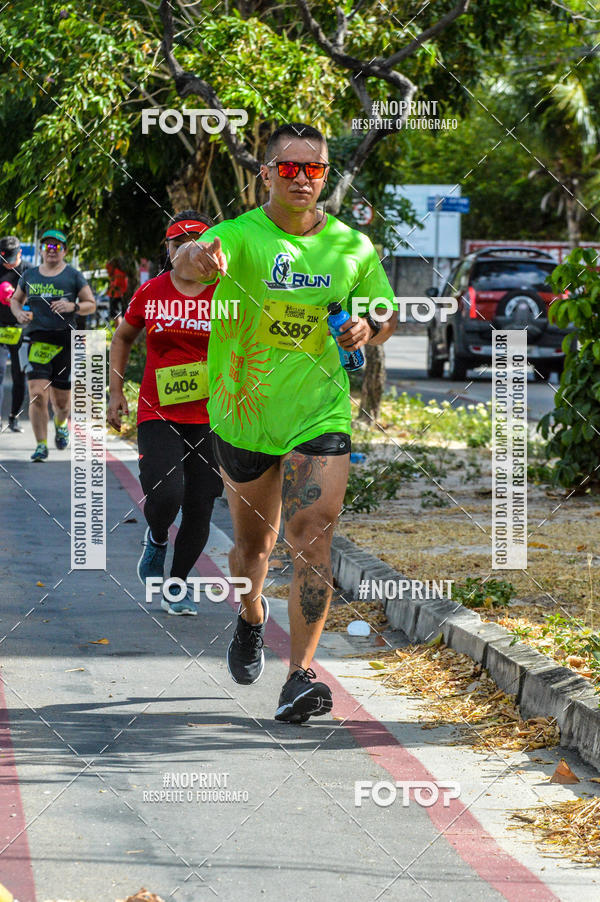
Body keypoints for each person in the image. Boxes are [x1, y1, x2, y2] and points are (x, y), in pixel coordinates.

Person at [175, 123, 397, 723]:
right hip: (243, 414)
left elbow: (383, 312)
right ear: (266, 174)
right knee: (253, 546)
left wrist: (367, 328)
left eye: (314, 169)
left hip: (318, 410)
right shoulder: (239, 236)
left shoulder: (353, 246)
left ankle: (299, 675)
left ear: (326, 175)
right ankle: (250, 621)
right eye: (289, 168)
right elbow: (188, 265)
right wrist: (196, 255)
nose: (302, 179)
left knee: (312, 536)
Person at [107, 211, 223, 615]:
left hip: (213, 415)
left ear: (214, 248)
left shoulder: (228, 291)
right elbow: (123, 336)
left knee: (201, 501)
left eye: (199, 241)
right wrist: (115, 391)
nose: (191, 249)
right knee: (166, 493)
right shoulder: (152, 291)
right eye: (179, 242)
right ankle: (156, 537)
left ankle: (178, 583)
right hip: (159, 410)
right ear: (169, 251)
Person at [9, 228, 96, 461]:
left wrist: (73, 307)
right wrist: (19, 314)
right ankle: (40, 445)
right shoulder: (30, 276)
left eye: (57, 247)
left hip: (65, 339)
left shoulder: (73, 275)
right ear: (41, 250)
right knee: (37, 393)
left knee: (62, 403)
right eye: (47, 246)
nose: (52, 251)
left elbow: (91, 304)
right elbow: (15, 300)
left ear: (64, 251)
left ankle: (60, 423)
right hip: (37, 337)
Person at [0, 235, 27, 432]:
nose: (7, 265)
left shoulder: (29, 271)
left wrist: (17, 301)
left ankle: (14, 417)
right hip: (0, 327)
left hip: (20, 329)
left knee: (20, 375)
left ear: (19, 253)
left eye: (10, 261)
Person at [106, 257, 129, 325]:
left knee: (117, 315)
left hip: (115, 295)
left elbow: (115, 285)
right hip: (121, 295)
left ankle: (118, 333)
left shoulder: (116, 273)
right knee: (120, 314)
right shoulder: (122, 272)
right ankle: (120, 332)